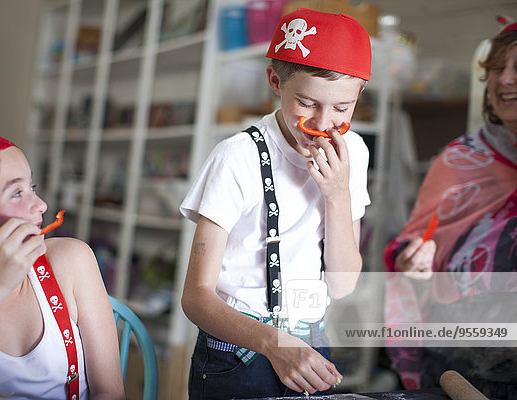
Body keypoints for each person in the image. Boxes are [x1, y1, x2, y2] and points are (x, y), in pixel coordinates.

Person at [180, 8, 372, 399]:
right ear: (275, 81)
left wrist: (337, 194)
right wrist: (271, 344)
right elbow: (196, 297)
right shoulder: (236, 157)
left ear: (359, 96)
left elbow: (344, 283)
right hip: (235, 353)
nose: (322, 123)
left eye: (342, 108)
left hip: (311, 343)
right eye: (307, 102)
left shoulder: (354, 152)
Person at [0, 134, 125, 400]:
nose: (41, 205)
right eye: (17, 192)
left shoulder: (72, 261)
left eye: (33, 187)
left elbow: (110, 393)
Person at [383, 22, 517, 399]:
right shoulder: (461, 158)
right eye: (496, 69)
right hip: (460, 357)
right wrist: (413, 261)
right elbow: (410, 243)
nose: (504, 80)